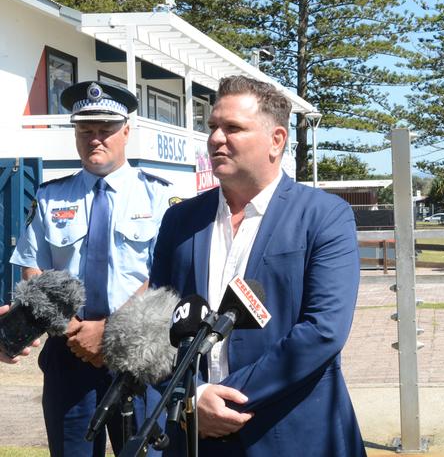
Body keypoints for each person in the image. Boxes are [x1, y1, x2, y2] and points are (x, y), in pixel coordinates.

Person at [149, 75, 366, 456]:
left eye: (232, 128)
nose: (216, 138)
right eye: (212, 126)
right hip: (194, 433)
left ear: (276, 140)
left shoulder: (324, 216)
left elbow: (323, 331)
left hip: (291, 435)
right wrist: (192, 397)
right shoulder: (180, 221)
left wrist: (230, 397)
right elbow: (158, 322)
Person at [10, 81, 174, 457]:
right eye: (85, 131)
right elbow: (33, 270)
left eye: (106, 130)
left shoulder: (159, 196)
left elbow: (163, 275)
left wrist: (108, 333)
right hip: (70, 356)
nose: (95, 139)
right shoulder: (51, 196)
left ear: (126, 132)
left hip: (138, 357)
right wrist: (74, 332)